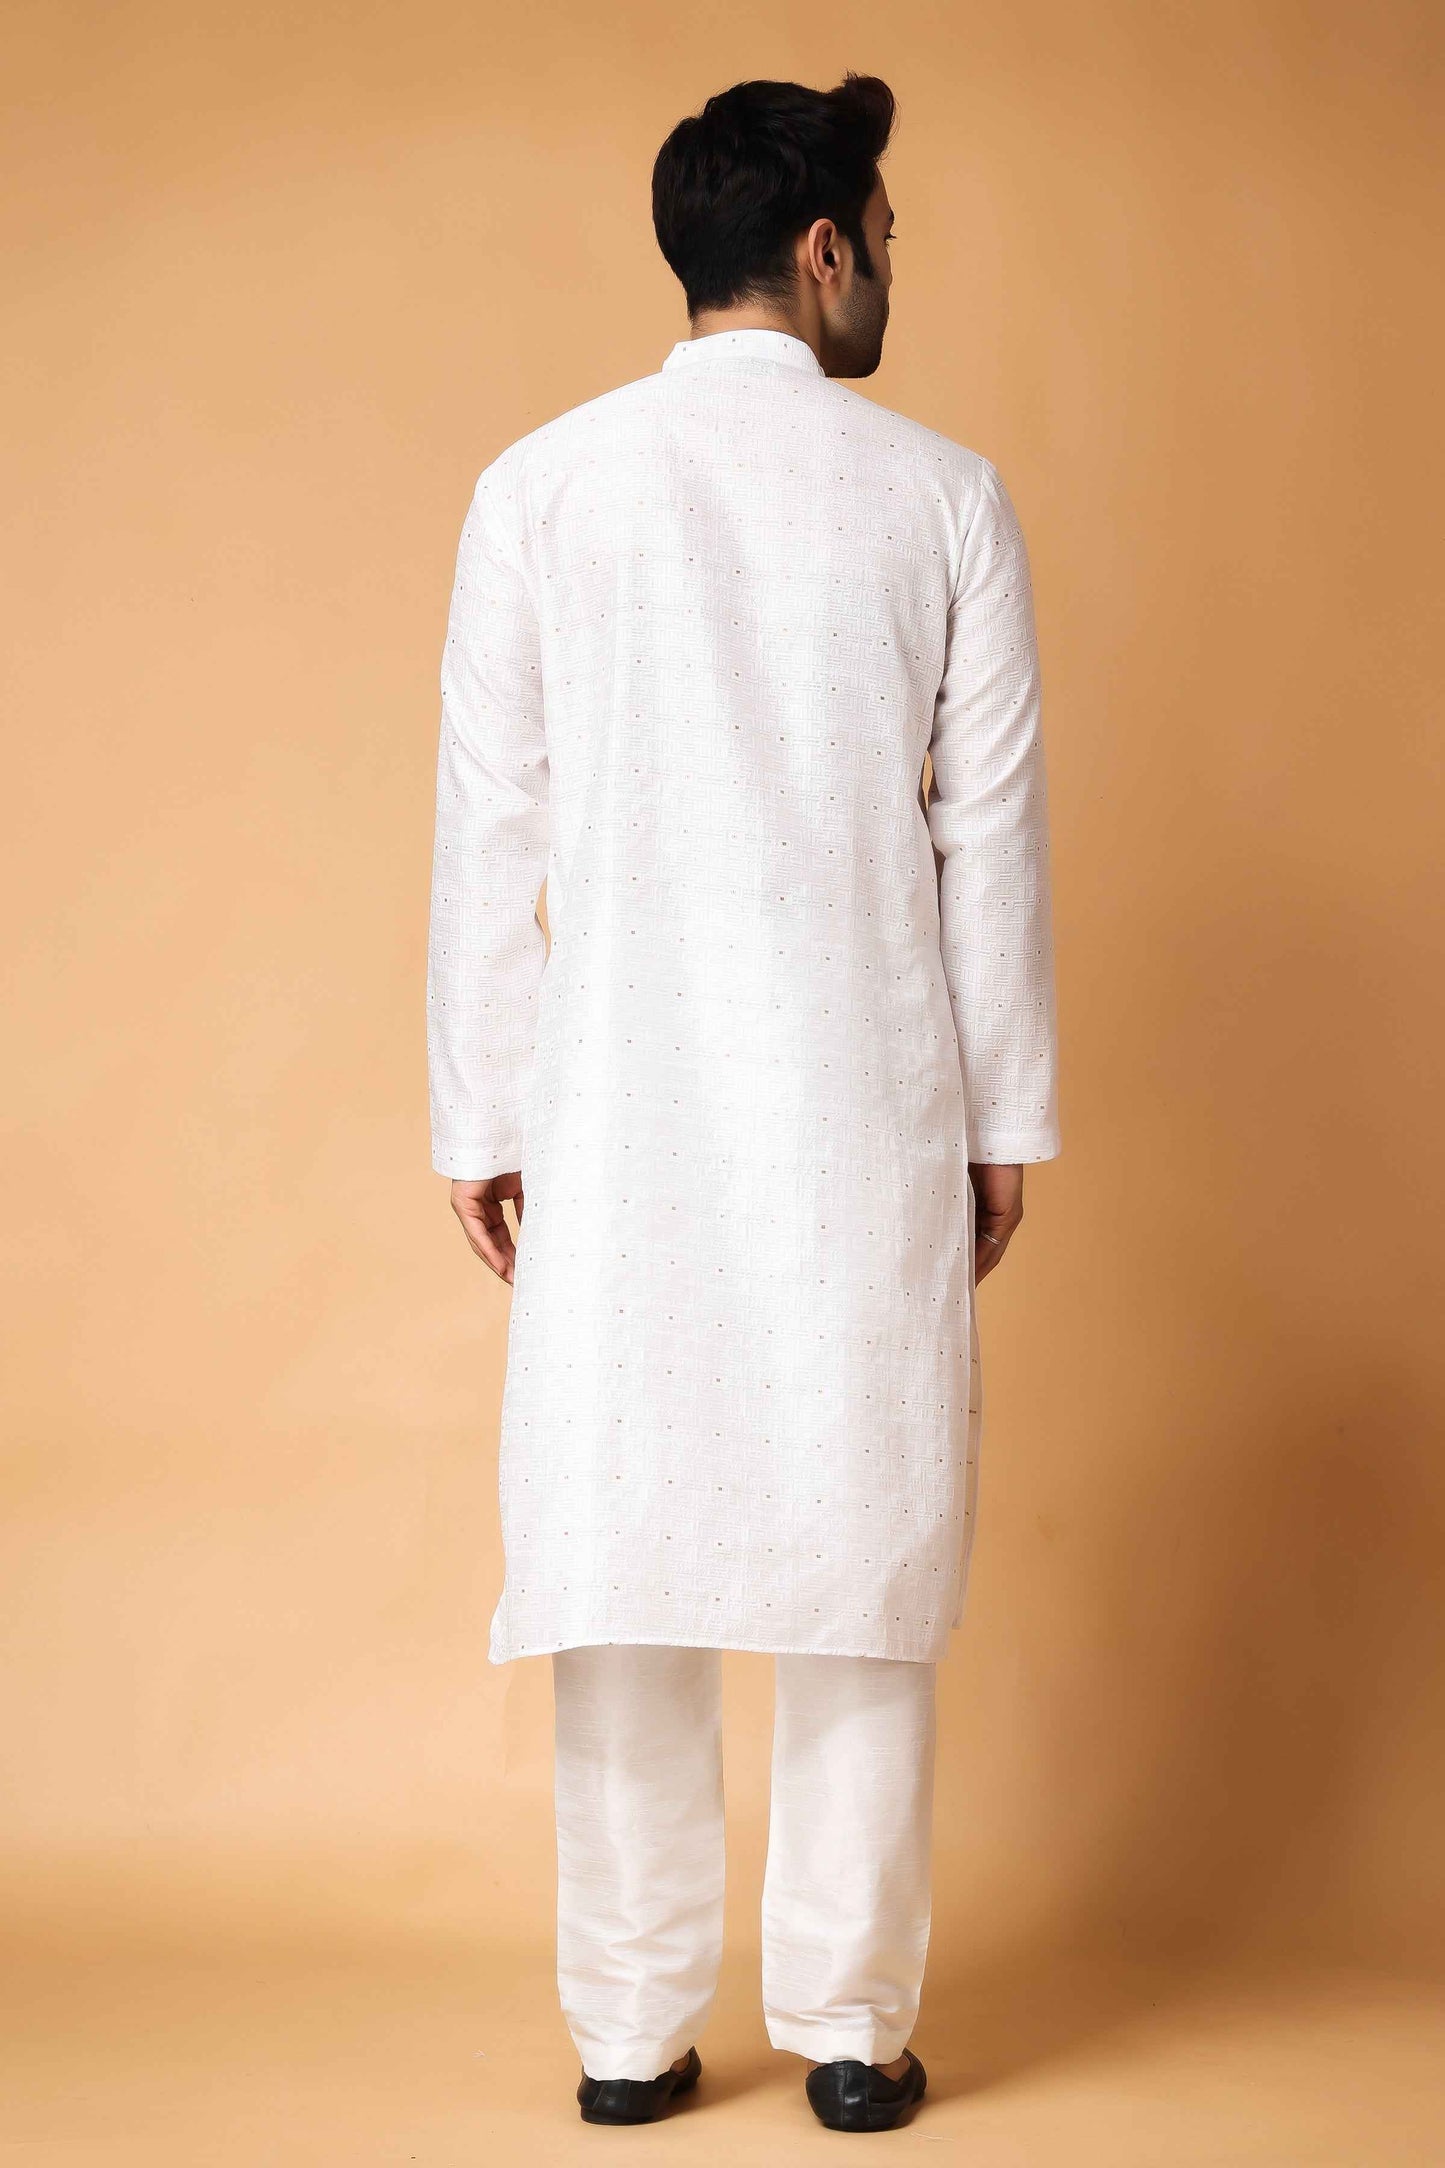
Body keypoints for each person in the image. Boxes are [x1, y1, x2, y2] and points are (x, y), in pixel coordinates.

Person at [426, 72, 1060, 2134]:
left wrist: (481, 1112)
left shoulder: (540, 486)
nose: (888, 276)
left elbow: (488, 823)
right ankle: (854, 2031)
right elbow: (988, 837)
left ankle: (628, 2038)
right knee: (863, 1545)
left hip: (613, 1099)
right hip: (863, 1091)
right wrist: (1000, 1118)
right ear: (822, 244)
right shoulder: (942, 494)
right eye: (884, 239)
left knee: (626, 1545)